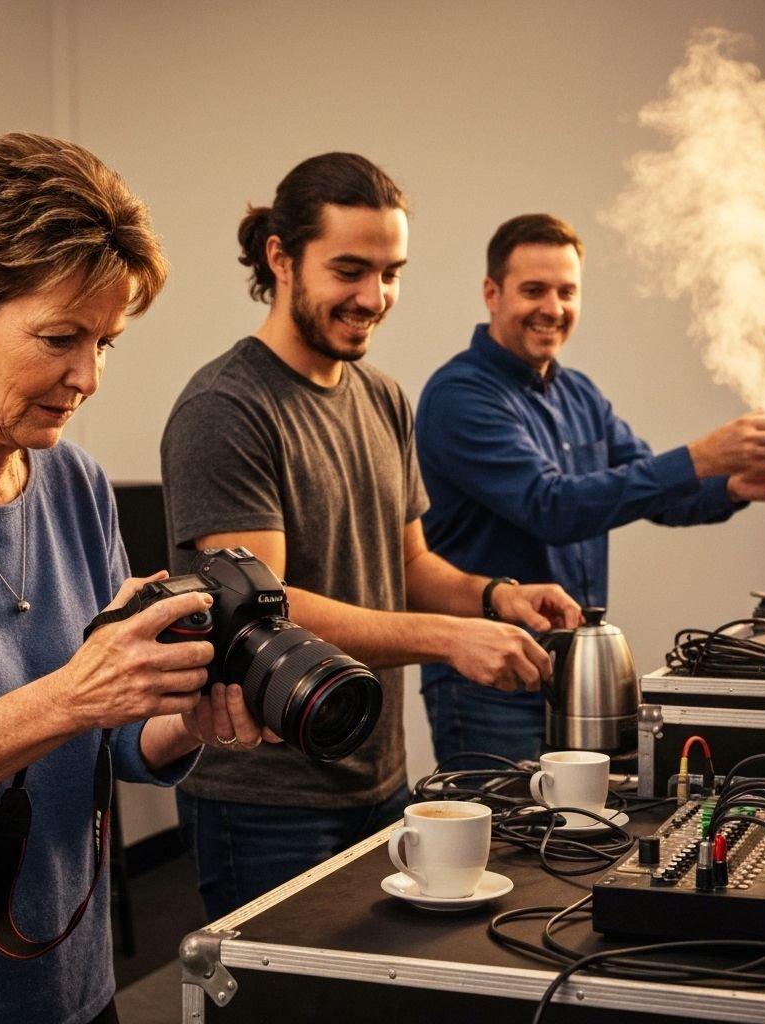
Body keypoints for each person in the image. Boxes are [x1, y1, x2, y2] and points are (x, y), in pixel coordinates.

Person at [0, 132, 271, 1024]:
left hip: (69, 987)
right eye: (59, 338)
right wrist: (76, 696)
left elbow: (112, 738)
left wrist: (175, 720)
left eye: (107, 343)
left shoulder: (75, 484)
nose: (87, 377)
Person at [160, 154, 581, 920]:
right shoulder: (226, 408)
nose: (374, 297)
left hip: (377, 773)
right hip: (268, 795)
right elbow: (265, 613)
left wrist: (495, 597)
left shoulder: (382, 396)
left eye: (391, 272)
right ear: (280, 258)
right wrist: (450, 640)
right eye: (350, 270)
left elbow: (410, 563)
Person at [415, 212, 765, 766]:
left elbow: (652, 490)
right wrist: (699, 456)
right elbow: (551, 507)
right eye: (533, 290)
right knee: (502, 841)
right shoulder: (460, 396)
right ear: (492, 292)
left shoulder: (579, 392)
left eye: (566, 291)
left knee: (576, 838)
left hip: (575, 671)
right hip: (490, 680)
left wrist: (733, 486)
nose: (552, 308)